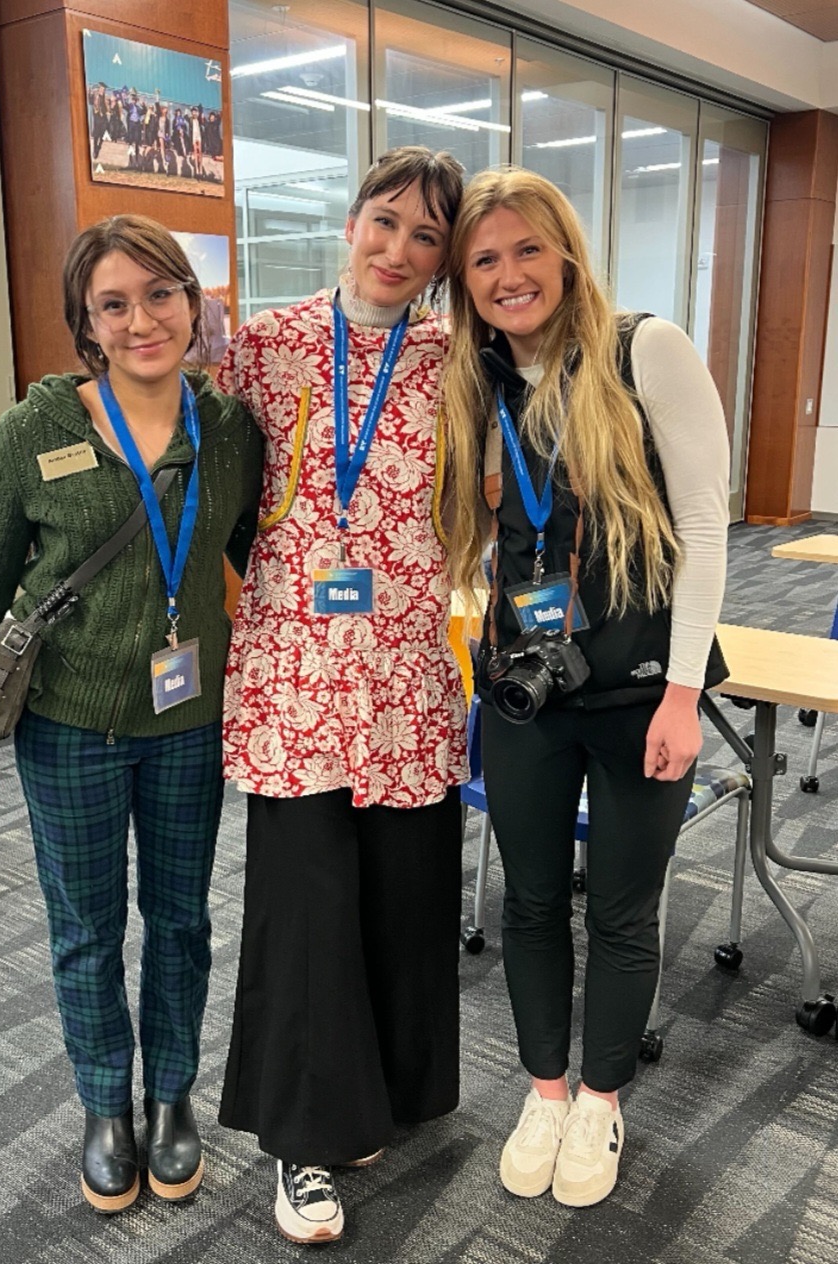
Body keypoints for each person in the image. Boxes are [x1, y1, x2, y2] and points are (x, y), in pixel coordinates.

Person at [0, 215, 263, 1214]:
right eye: (113, 303)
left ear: (190, 302)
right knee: (84, 931)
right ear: (86, 319)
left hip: (186, 723)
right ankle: (103, 1108)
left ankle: (171, 1098)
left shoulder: (228, 428)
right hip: (66, 723)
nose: (142, 319)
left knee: (181, 922)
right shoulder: (39, 432)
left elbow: (264, 549)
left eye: (160, 294)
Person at [442, 168, 729, 1208]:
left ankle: (602, 1099)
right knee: (524, 901)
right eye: (484, 259)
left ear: (566, 251)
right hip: (526, 691)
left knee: (618, 906)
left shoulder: (640, 349)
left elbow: (703, 528)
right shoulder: (476, 379)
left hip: (641, 689)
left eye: (528, 249)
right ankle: (544, 1089)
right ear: (463, 280)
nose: (509, 275)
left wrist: (682, 694)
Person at [215, 145, 466, 1245]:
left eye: (425, 236)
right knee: (305, 910)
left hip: (406, 679)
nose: (398, 251)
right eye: (384, 221)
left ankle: (389, 1094)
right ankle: (301, 1142)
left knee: (402, 903)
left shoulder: (458, 362)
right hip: (296, 681)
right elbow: (209, 491)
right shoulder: (265, 348)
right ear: (349, 216)